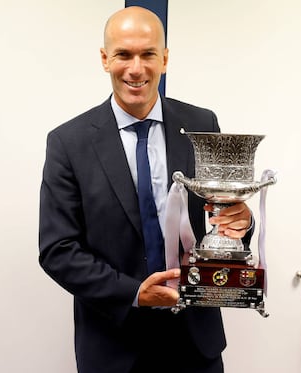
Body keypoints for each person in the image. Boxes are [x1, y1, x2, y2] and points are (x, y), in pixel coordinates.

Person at [39, 6, 253, 373]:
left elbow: (220, 215)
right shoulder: (67, 143)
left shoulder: (202, 123)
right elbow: (57, 250)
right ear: (105, 59)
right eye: (123, 54)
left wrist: (241, 220)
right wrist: (134, 294)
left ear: (165, 59)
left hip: (196, 345)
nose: (135, 68)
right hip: (113, 346)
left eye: (148, 54)